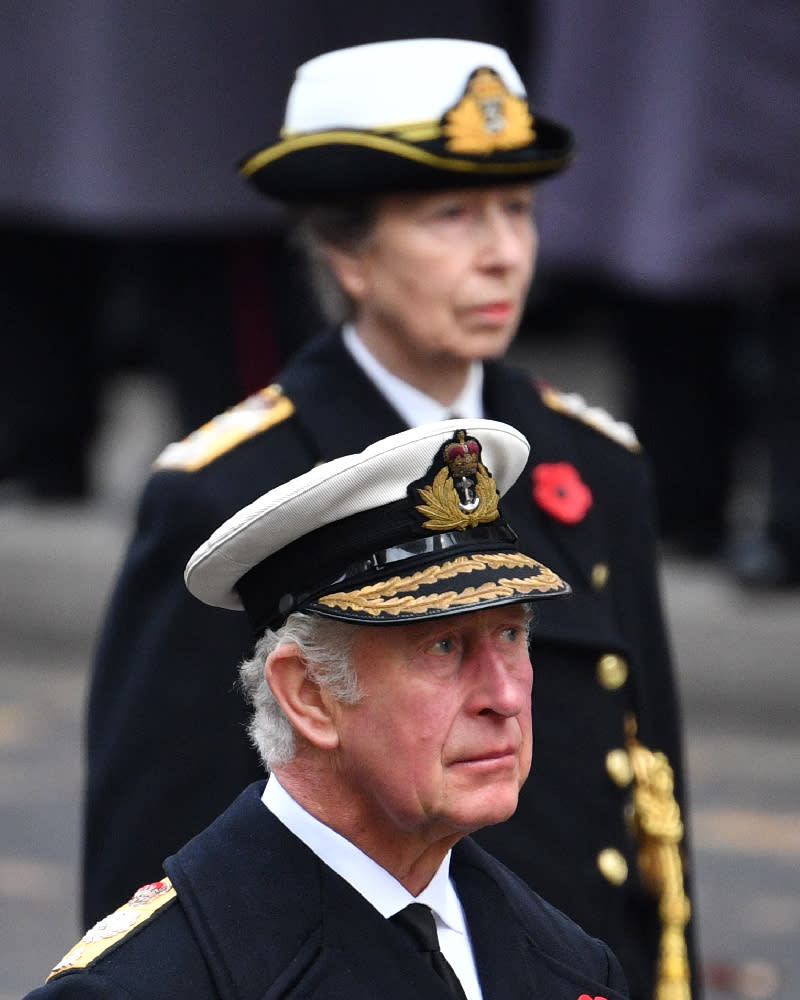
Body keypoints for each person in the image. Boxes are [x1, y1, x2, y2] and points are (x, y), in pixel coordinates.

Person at [84, 38, 695, 1000]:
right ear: (346, 252)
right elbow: (148, 864)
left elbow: (652, 809)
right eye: (451, 215)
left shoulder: (596, 466)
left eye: (518, 210)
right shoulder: (225, 486)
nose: (501, 251)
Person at [30, 419, 630, 999]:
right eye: (442, 646)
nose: (504, 697)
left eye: (510, 636)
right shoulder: (142, 985)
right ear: (308, 694)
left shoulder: (574, 963)